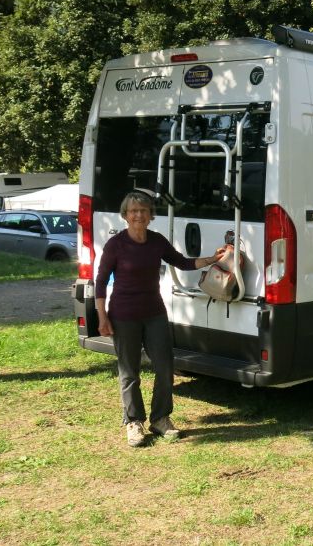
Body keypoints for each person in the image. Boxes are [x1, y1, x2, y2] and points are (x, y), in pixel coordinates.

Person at [95, 191, 226, 447]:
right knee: (129, 372)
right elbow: (100, 283)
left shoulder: (156, 241)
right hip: (124, 315)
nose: (138, 215)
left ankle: (160, 419)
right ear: (125, 215)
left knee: (165, 367)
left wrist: (213, 258)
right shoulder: (116, 245)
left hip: (154, 312)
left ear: (150, 215)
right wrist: (102, 316)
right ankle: (134, 422)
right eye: (133, 211)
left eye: (143, 210)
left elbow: (182, 262)